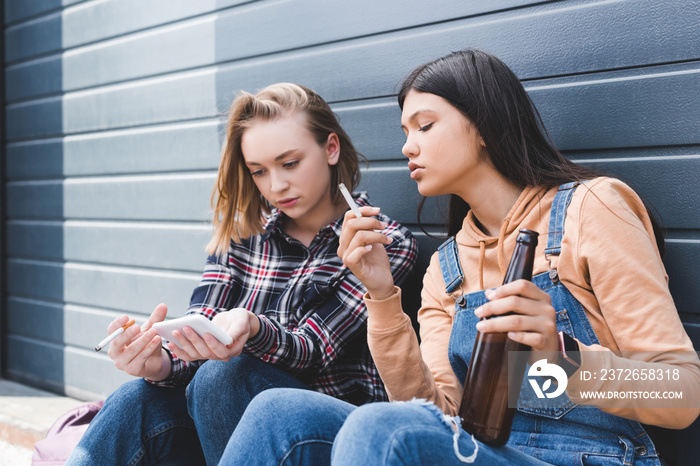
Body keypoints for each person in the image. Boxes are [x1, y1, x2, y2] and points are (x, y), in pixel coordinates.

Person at [217, 49, 700, 465]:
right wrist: (381, 295)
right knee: (277, 412)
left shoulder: (592, 208)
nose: (407, 146)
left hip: (590, 455)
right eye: (405, 130)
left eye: (424, 125)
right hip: (478, 452)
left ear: (485, 125)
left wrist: (563, 358)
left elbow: (683, 396)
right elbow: (434, 412)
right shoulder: (446, 268)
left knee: (380, 429)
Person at [65, 83, 417, 466]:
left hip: (324, 433)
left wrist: (252, 327)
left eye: (290, 163)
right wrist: (159, 363)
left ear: (331, 148)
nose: (276, 185)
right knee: (138, 398)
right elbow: (199, 338)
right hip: (227, 427)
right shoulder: (240, 237)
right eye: (259, 171)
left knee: (225, 375)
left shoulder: (381, 242)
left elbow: (313, 350)